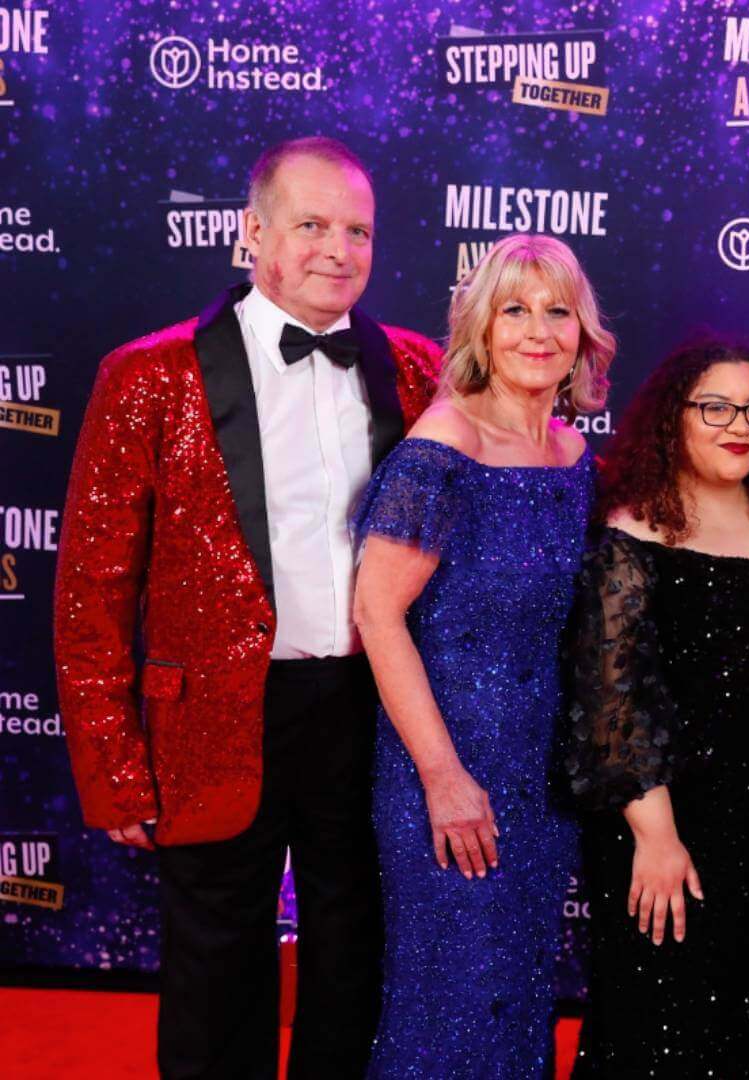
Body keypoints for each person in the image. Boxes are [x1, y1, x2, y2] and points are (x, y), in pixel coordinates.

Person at [54, 136, 439, 1077]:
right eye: (311, 225)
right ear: (252, 233)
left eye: (358, 230)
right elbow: (92, 588)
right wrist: (111, 764)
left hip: (367, 707)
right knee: (216, 971)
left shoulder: (419, 370)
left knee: (355, 957)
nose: (336, 250)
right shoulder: (148, 375)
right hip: (213, 719)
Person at [350, 233, 612, 1076]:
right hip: (448, 767)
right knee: (450, 1001)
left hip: (540, 775)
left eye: (556, 311)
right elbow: (377, 615)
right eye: (514, 310)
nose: (537, 331)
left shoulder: (574, 455)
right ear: (480, 329)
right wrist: (442, 777)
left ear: (582, 331)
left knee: (517, 992)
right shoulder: (442, 447)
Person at [566, 338, 749, 1078]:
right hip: (670, 826)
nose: (736, 424)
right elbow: (610, 700)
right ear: (670, 420)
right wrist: (655, 837)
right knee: (662, 1024)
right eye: (713, 407)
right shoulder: (629, 534)